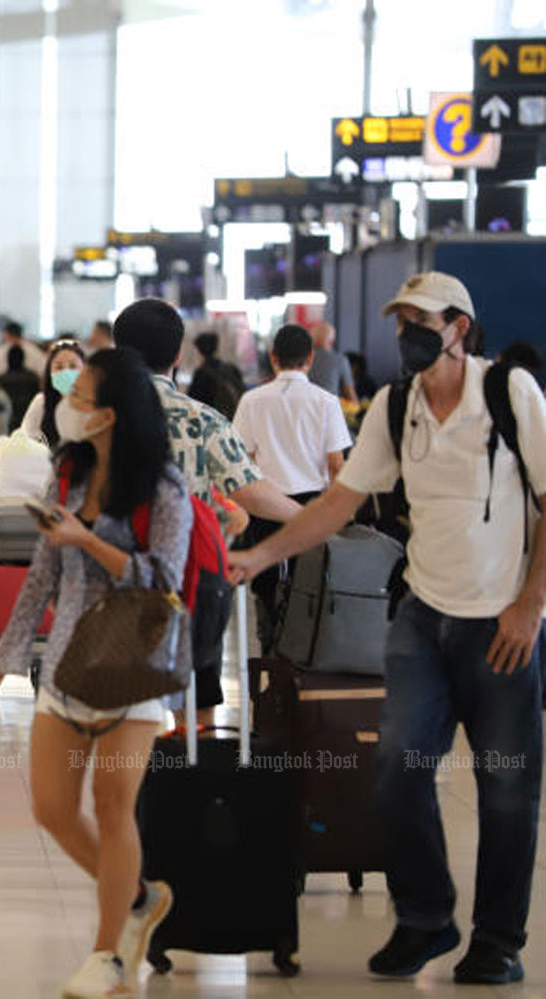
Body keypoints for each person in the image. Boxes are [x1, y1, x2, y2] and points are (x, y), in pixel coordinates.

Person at [231, 272, 546, 986]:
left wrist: (531, 603)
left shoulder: (510, 393)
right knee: (396, 774)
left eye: (422, 319)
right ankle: (426, 918)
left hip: (502, 621)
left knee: (505, 788)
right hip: (422, 616)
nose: (409, 333)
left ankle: (497, 940)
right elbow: (339, 502)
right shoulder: (394, 405)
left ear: (459, 326)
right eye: (401, 320)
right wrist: (260, 554)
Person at [0, 348, 187, 999]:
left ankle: (108, 957)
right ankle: (141, 897)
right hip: (67, 661)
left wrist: (91, 542)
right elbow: (42, 571)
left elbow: (165, 579)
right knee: (51, 805)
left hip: (137, 664)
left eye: (85, 392)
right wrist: (3, 656)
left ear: (112, 413)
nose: (71, 400)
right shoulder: (65, 474)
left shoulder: (164, 488)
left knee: (111, 803)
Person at [112, 298, 301, 724]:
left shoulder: (97, 418)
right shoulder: (202, 420)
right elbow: (251, 492)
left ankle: (126, 784)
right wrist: (315, 519)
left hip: (115, 575)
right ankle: (190, 780)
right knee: (196, 718)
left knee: (121, 713)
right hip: (190, 576)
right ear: (179, 355)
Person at [230, 324, 352, 647]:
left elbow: (243, 458)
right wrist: (338, 514)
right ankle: (301, 648)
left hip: (265, 502)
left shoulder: (252, 400)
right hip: (313, 505)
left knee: (266, 580)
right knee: (308, 580)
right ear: (311, 358)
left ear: (273, 358)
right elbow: (336, 464)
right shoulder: (326, 401)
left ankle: (269, 645)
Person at [22, 340, 87, 448]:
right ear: (49, 372)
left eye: (73, 366)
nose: (66, 372)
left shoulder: (94, 404)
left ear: (85, 370)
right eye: (59, 367)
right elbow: (26, 439)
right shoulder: (41, 402)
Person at [187, 331, 245, 420]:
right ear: (216, 348)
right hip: (233, 420)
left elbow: (192, 403)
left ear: (199, 351)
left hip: (212, 423)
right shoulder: (231, 368)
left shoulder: (201, 374)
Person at [307, 321, 357, 402]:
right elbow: (350, 394)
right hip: (331, 410)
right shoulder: (340, 360)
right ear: (332, 341)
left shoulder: (303, 360)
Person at [0, 345, 41, 433]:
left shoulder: (2, 379)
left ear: (8, 359)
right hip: (29, 419)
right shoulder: (32, 377)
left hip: (8, 421)